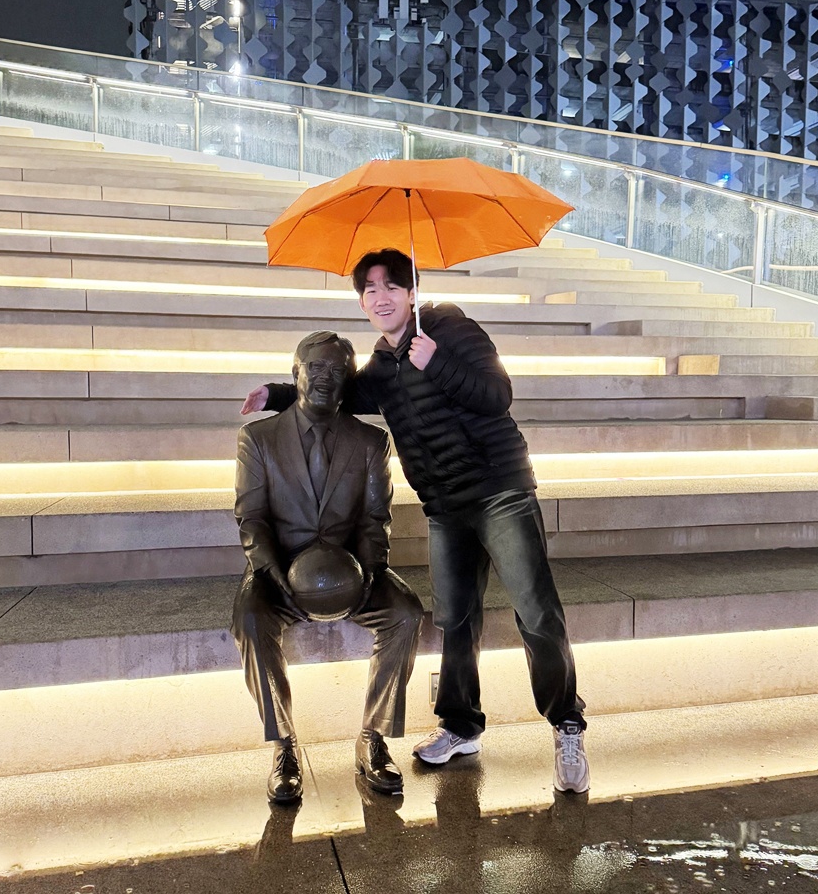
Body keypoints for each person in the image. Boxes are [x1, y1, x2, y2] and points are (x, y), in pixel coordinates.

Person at [242, 250, 590, 794]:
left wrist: (438, 363)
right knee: (455, 617)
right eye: (370, 289)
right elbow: (336, 394)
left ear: (411, 292)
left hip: (499, 490)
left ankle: (567, 724)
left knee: (536, 610)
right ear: (363, 302)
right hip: (444, 506)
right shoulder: (381, 365)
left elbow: (498, 395)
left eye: (391, 286)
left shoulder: (449, 327)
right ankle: (461, 725)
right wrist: (279, 393)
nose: (380, 297)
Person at [232, 329, 423, 803]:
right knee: (250, 619)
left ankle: (373, 738)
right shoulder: (258, 438)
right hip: (279, 570)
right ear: (295, 372)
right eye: (315, 367)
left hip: (351, 569)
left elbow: (375, 519)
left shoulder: (371, 441)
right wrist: (271, 571)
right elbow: (252, 517)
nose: (325, 378)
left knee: (406, 613)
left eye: (338, 371)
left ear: (348, 381)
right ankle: (284, 745)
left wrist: (368, 574)